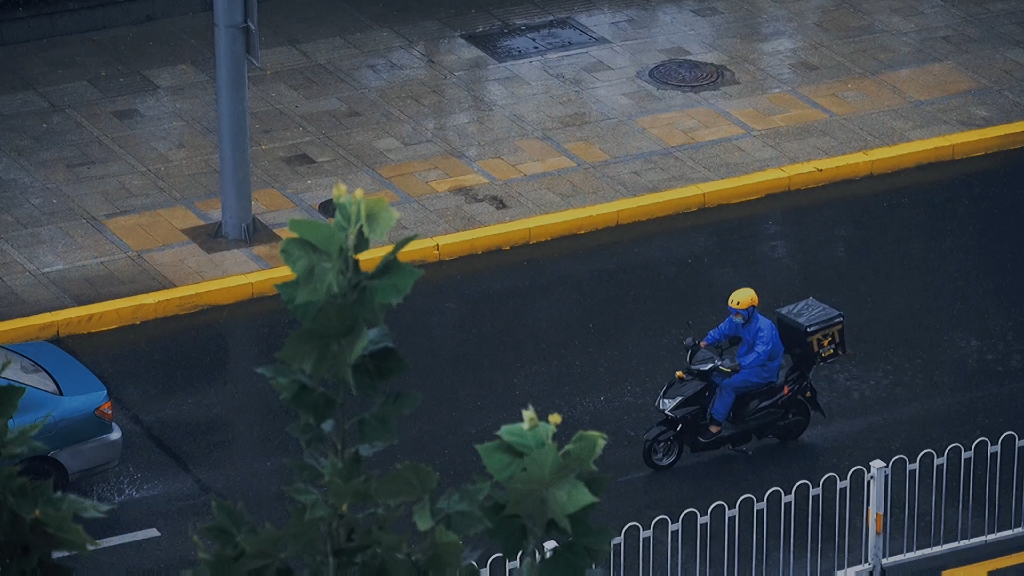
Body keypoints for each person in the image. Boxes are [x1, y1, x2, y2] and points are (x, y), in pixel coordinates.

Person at [698, 287, 784, 442]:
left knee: (728, 386)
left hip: (763, 369)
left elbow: (760, 354)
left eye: (738, 313)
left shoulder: (764, 328)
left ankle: (716, 426)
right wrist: (704, 343)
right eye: (733, 312)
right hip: (743, 362)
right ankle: (704, 414)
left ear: (750, 310)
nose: (734, 316)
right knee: (714, 376)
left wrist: (739, 364)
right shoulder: (737, 320)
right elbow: (722, 331)